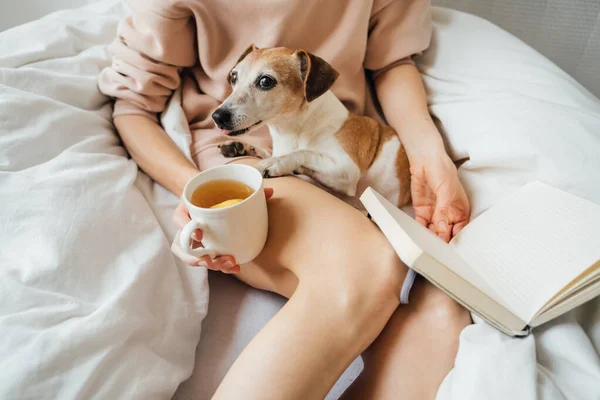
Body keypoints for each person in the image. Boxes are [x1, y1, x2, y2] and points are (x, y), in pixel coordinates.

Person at [99, 0, 472, 398]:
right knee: (373, 268)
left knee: (443, 307)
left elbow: (392, 62)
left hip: (342, 141)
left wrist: (429, 154)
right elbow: (134, 104)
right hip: (248, 161)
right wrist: (196, 189)